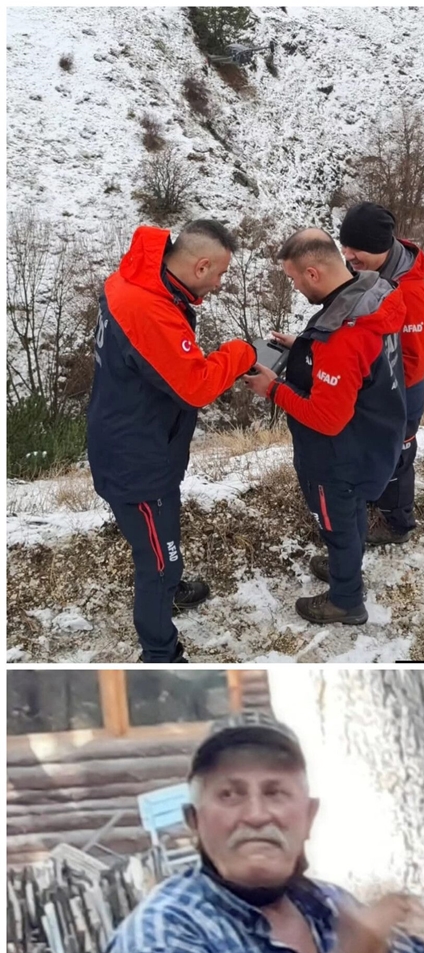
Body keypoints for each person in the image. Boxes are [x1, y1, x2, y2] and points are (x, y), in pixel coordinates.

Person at [103, 712, 424, 953]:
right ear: (194, 821)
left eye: (275, 792)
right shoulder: (158, 939)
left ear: (309, 817)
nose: (257, 815)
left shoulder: (332, 905)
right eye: (230, 794)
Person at [87, 220, 256, 663]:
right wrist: (242, 353)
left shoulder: (133, 280)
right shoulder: (150, 310)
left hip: (137, 437)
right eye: (219, 274)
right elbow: (196, 386)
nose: (220, 284)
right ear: (200, 266)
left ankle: (172, 585)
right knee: (156, 562)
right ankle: (160, 653)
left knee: (162, 534)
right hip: (137, 462)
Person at [243, 229, 405, 625]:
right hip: (374, 437)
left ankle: (346, 600)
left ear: (313, 273)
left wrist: (272, 388)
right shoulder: (372, 296)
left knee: (338, 525)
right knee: (348, 521)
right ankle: (343, 565)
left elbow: (328, 418)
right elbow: (356, 364)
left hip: (339, 458)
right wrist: (303, 345)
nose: (295, 287)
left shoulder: (342, 337)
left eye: (294, 279)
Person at [336, 201, 424, 549]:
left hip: (402, 390)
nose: (347, 254)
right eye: (344, 245)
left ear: (380, 247)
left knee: (398, 453)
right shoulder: (369, 270)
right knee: (378, 452)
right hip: (378, 385)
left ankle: (398, 522)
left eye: (356, 248)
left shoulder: (408, 290)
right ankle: (377, 500)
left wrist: (384, 393)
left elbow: (414, 357)